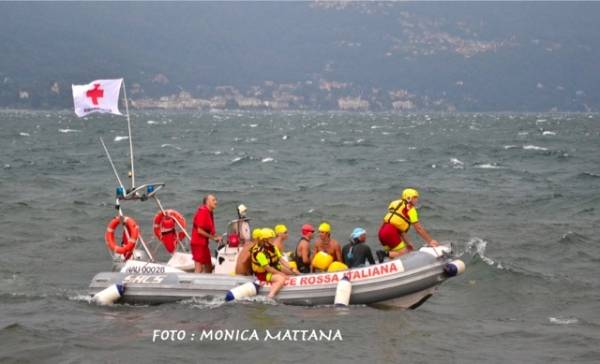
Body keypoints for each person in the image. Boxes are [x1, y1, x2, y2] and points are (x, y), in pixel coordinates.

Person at [377, 188, 438, 262]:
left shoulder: (396, 204)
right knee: (405, 254)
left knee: (394, 254)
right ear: (408, 198)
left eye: (417, 197)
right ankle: (384, 254)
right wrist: (430, 241)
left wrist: (408, 243)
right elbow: (418, 228)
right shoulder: (411, 210)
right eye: (414, 197)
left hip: (382, 232)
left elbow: (400, 231)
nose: (417, 200)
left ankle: (390, 267)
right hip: (390, 233)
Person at [250, 228, 298, 299]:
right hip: (263, 274)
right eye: (271, 238)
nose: (273, 239)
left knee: (291, 272)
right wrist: (281, 274)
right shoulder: (259, 252)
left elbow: (281, 260)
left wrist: (292, 268)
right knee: (281, 279)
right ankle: (270, 296)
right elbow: (267, 268)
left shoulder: (273, 247)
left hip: (273, 268)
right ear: (265, 239)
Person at [191, 194, 222, 273]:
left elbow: (209, 229)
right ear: (207, 202)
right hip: (198, 243)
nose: (216, 202)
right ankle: (194, 284)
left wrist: (216, 237)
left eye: (216, 200)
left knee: (209, 267)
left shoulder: (209, 212)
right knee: (199, 268)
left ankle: (209, 283)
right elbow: (199, 230)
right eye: (213, 200)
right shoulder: (203, 212)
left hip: (204, 244)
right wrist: (213, 238)